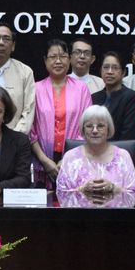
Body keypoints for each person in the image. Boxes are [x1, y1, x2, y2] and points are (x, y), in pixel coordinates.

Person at [29, 39, 92, 183]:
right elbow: (30, 129)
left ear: (69, 60)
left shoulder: (81, 89)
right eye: (53, 57)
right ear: (45, 60)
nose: (58, 61)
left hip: (75, 159)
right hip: (42, 160)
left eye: (63, 56)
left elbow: (87, 126)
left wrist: (67, 159)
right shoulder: (35, 89)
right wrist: (44, 160)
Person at [56, 105, 135, 196]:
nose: (95, 131)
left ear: (108, 129)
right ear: (83, 130)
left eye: (100, 126)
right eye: (89, 126)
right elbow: (60, 193)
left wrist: (113, 188)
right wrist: (82, 190)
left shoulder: (123, 156)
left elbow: (134, 192)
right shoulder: (70, 157)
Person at [90, 51, 135, 141]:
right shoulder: (94, 97)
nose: (109, 72)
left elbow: (128, 133)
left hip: (119, 150)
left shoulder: (131, 97)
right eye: (106, 67)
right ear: (101, 71)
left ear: (123, 73)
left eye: (115, 68)